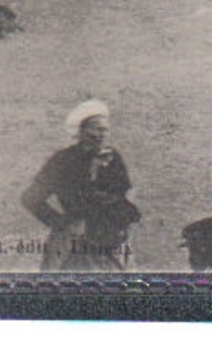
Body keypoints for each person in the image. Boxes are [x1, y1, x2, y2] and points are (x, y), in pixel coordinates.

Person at [20, 100, 141, 271]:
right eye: (95, 129)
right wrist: (61, 223)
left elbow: (123, 193)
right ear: (81, 131)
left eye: (104, 129)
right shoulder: (63, 161)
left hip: (114, 240)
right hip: (78, 243)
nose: (101, 135)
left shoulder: (113, 159)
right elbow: (30, 198)